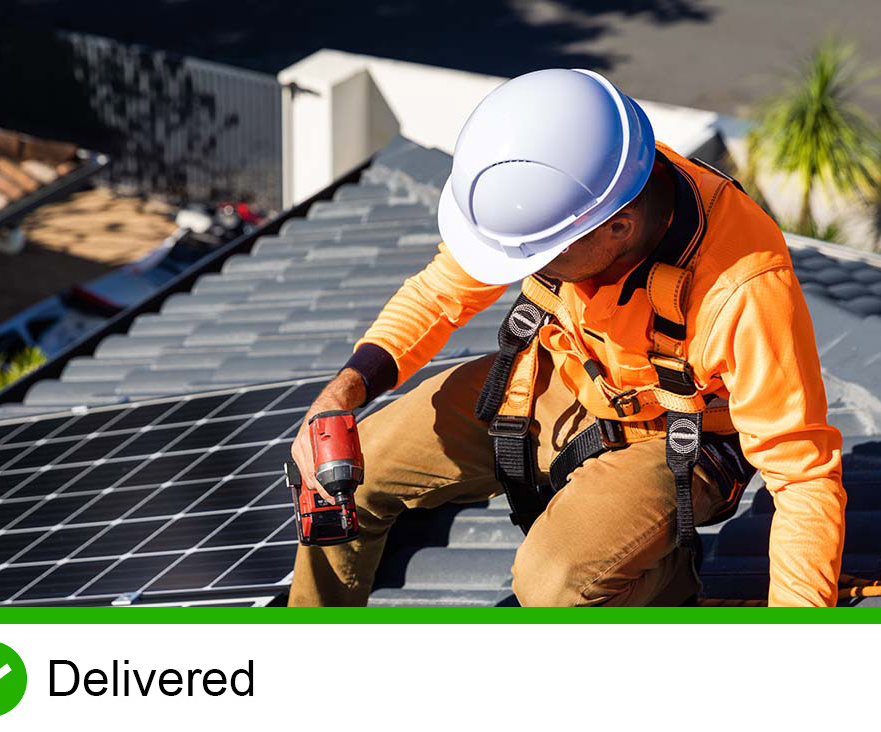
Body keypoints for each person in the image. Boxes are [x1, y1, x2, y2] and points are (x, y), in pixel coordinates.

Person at [288, 68, 846, 607]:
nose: (521, 267)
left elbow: (803, 479)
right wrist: (345, 391)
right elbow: (439, 293)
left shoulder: (742, 287)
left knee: (554, 588)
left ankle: (664, 575)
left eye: (537, 256)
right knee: (347, 479)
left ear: (617, 229)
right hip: (570, 375)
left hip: (683, 432)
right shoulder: (564, 191)